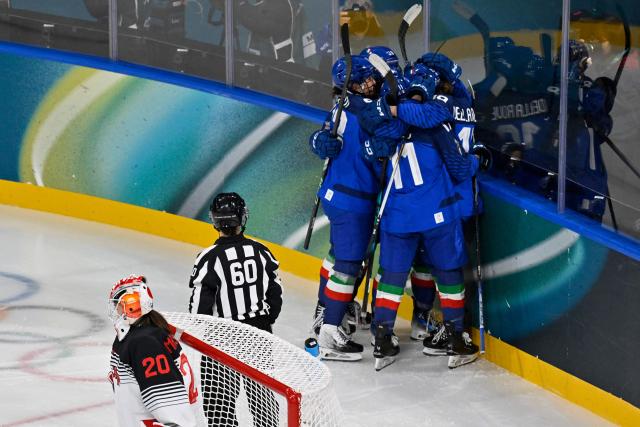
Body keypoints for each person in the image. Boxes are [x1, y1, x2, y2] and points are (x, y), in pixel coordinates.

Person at [360, 62, 487, 370]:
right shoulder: (436, 123)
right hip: (436, 213)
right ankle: (456, 338)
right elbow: (458, 168)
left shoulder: (384, 124)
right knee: (447, 273)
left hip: (397, 215)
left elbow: (372, 151)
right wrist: (477, 160)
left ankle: (382, 339)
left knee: (391, 276)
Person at [308, 54, 394, 361]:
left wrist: (318, 140)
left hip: (339, 195)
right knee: (348, 264)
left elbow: (325, 136)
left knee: (338, 256)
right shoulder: (362, 112)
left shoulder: (343, 106)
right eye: (362, 81)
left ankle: (327, 308)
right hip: (352, 199)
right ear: (350, 86)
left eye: (370, 78)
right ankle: (329, 331)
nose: (370, 83)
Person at [188, 192, 282, 427]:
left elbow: (200, 310)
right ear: (243, 218)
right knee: (263, 400)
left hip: (222, 335)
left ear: (214, 221)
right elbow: (276, 294)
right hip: (259, 333)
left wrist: (206, 334)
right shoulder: (262, 251)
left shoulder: (208, 258)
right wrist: (263, 320)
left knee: (219, 404)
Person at [107, 274, 200, 427]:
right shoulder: (145, 334)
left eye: (119, 304)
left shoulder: (145, 344)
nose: (116, 310)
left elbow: (175, 416)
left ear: (132, 304)